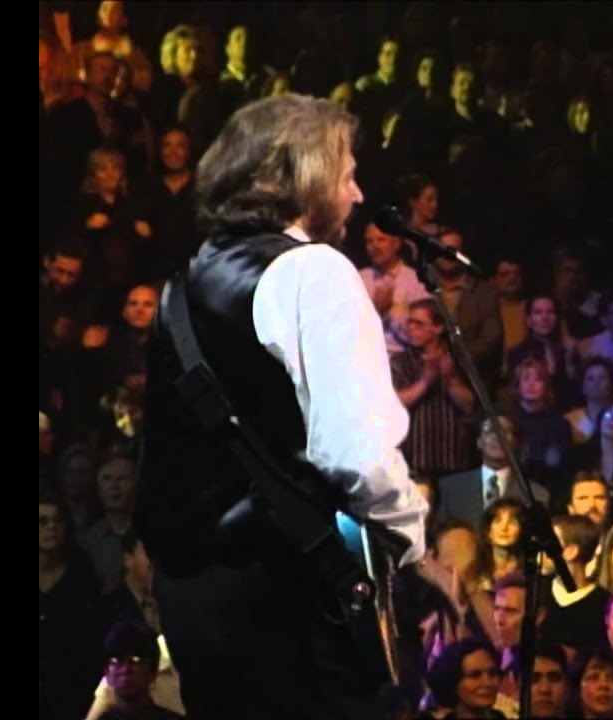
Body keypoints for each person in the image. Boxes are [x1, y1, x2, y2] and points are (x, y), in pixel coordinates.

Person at [137, 94, 438, 719]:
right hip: (288, 597)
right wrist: (408, 534)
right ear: (306, 177)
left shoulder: (179, 290)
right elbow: (355, 452)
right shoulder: (314, 271)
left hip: (195, 600)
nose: (357, 195)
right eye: (347, 175)